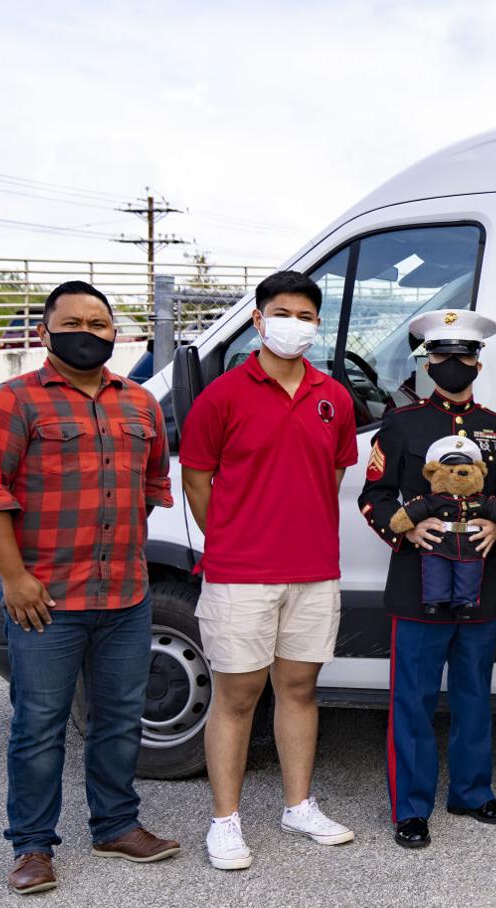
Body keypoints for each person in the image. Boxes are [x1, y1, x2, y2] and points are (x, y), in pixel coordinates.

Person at [0, 280, 182, 894]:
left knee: (118, 717)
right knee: (39, 723)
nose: (88, 333)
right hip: (45, 602)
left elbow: (153, 485)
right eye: (74, 323)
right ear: (46, 332)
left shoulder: (138, 404)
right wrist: (14, 578)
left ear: (116, 334)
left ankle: (115, 825)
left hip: (125, 596)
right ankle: (32, 846)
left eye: (100, 324)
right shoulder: (11, 403)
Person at [180, 270, 360, 869]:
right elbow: (197, 480)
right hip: (240, 574)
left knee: (299, 689)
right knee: (236, 696)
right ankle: (225, 821)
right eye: (283, 313)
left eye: (307, 316)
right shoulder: (223, 395)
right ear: (258, 320)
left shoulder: (333, 396)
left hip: (313, 570)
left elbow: (331, 476)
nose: (296, 324)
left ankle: (297, 805)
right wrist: (233, 540)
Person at [358, 309, 496, 849]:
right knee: (414, 699)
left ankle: (473, 793)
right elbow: (374, 496)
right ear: (427, 362)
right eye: (442, 356)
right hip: (417, 583)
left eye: (464, 356)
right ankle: (411, 807)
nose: (453, 365)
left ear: (479, 361)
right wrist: (405, 530)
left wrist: (494, 527)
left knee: (476, 694)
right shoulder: (401, 426)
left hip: (478, 582)